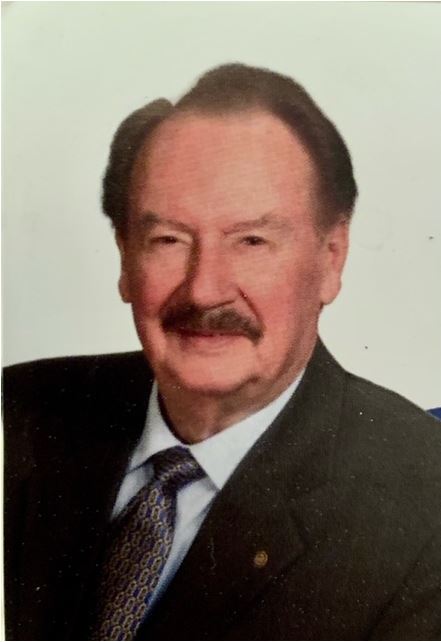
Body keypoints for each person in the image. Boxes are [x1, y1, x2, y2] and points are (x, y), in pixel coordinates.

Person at [3, 63, 441, 641]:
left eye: (251, 241)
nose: (204, 289)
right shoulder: (17, 412)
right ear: (124, 257)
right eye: (168, 240)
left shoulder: (424, 504)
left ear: (331, 259)